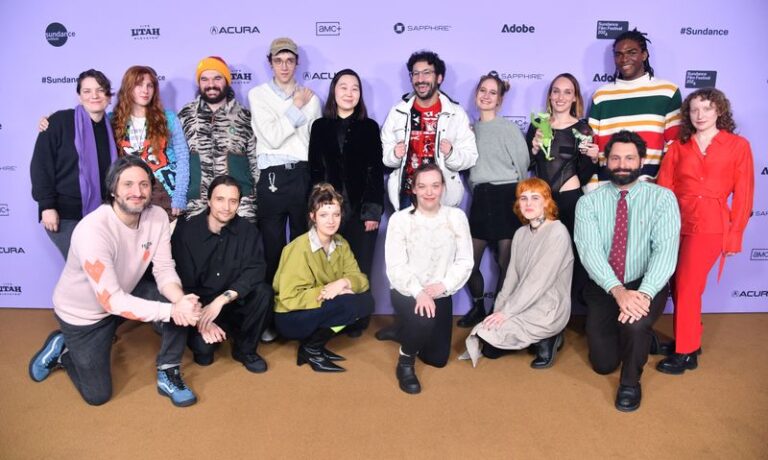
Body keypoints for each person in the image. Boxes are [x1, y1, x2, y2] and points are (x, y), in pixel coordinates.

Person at [28, 156, 202, 407]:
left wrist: (180, 301)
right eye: (128, 184)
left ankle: (168, 369)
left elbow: (164, 269)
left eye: (144, 185)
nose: (137, 192)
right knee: (97, 395)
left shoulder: (158, 217)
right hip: (84, 315)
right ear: (113, 190)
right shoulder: (93, 231)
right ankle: (64, 348)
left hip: (125, 293)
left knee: (176, 300)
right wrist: (171, 310)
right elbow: (111, 301)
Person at [575, 130, 680, 412]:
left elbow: (665, 253)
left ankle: (631, 382)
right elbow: (590, 252)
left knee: (634, 324)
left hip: (645, 281)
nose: (622, 164)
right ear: (606, 161)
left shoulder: (663, 199)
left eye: (630, 158)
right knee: (602, 364)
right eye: (616, 158)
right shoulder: (588, 203)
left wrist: (643, 293)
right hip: (604, 284)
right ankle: (645, 337)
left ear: (642, 160)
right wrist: (618, 291)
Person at [655, 88, 754, 374]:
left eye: (707, 109)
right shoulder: (679, 146)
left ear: (719, 111)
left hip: (711, 225)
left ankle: (685, 353)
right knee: (678, 284)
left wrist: (735, 236)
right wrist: (661, 225)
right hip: (677, 221)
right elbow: (665, 187)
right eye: (695, 110)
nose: (700, 115)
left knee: (687, 285)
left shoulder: (738, 146)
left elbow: (745, 194)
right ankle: (691, 339)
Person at [464, 178, 573, 368]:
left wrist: (507, 313)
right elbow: (511, 278)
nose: (528, 204)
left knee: (502, 328)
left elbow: (537, 282)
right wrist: (499, 310)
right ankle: (531, 337)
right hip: (520, 303)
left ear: (547, 202)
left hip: (547, 304)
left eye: (535, 198)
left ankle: (550, 336)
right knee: (488, 345)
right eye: (523, 198)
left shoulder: (558, 231)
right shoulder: (520, 233)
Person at [385, 164, 473, 394]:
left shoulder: (456, 217)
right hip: (408, 291)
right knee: (423, 320)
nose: (429, 192)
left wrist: (443, 285)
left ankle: (405, 330)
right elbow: (395, 266)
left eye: (435, 185)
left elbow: (465, 260)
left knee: (437, 359)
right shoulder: (400, 220)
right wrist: (419, 292)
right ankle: (405, 361)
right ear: (413, 189)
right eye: (422, 186)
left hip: (439, 292)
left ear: (443, 187)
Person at [308, 69, 384, 336]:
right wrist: (318, 210)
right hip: (329, 213)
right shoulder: (319, 126)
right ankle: (333, 314)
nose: (349, 93)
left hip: (361, 211)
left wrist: (372, 211)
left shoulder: (370, 127)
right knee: (330, 265)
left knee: (360, 265)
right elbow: (315, 171)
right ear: (334, 92)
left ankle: (358, 318)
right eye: (343, 87)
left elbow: (375, 171)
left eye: (355, 88)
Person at [171, 175, 273, 373]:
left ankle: (245, 350)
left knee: (263, 292)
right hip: (200, 306)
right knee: (204, 353)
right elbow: (183, 285)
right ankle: (211, 335)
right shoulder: (187, 233)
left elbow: (255, 270)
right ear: (208, 201)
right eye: (220, 199)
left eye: (233, 201)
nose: (226, 207)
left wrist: (221, 301)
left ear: (239, 204)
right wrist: (201, 318)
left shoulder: (248, 231)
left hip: (232, 301)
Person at [272, 183, 374, 373]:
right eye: (324, 215)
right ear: (313, 216)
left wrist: (343, 283)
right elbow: (290, 297)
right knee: (349, 304)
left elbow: (361, 279)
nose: (331, 221)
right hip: (290, 315)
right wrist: (330, 292)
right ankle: (311, 348)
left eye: (336, 214)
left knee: (366, 302)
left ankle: (313, 345)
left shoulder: (341, 243)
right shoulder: (298, 248)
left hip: (317, 307)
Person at [248, 37, 322, 284]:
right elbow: (273, 137)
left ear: (297, 63)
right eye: (278, 60)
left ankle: (300, 301)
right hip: (271, 175)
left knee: (304, 243)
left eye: (289, 60)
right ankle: (271, 310)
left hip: (301, 173)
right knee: (272, 246)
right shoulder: (257, 95)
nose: (284, 66)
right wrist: (296, 106)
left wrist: (296, 109)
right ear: (270, 63)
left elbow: (313, 143)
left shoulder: (312, 99)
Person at [458, 73, 529, 328]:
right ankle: (478, 305)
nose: (486, 96)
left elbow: (523, 165)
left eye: (492, 92)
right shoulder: (468, 130)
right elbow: (464, 166)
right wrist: (476, 186)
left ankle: (497, 313)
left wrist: (518, 198)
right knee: (468, 263)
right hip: (481, 197)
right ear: (476, 94)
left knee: (505, 262)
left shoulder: (508, 128)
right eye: (483, 90)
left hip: (506, 195)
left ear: (500, 99)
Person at [526, 73, 598, 312]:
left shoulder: (583, 128)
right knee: (542, 257)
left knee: (572, 257)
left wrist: (593, 158)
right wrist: (534, 149)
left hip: (570, 200)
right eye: (556, 91)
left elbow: (586, 173)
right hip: (542, 202)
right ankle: (543, 311)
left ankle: (568, 312)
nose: (561, 97)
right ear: (550, 95)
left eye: (567, 92)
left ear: (575, 97)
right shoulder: (538, 125)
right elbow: (527, 164)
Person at [30, 69, 117, 259]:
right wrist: (47, 206)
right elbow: (41, 165)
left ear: (109, 97)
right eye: (87, 91)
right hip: (65, 215)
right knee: (85, 270)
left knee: (97, 275)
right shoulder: (59, 122)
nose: (94, 96)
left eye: (100, 90)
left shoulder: (113, 128)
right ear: (79, 97)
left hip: (103, 215)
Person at [381, 50, 477, 210]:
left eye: (427, 73)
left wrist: (451, 153)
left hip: (442, 196)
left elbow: (470, 157)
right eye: (416, 74)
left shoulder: (456, 113)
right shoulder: (398, 111)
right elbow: (385, 156)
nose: (420, 79)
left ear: (439, 78)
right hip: (407, 194)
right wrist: (395, 155)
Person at [587, 29, 682, 191]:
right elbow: (591, 147)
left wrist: (662, 183)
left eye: (631, 52)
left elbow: (674, 146)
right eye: (618, 54)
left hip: (650, 187)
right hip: (607, 188)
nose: (624, 59)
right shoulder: (601, 96)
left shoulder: (668, 92)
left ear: (644, 55)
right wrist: (593, 187)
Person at [179, 56, 259, 223]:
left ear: (227, 81)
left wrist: (255, 197)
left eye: (217, 78)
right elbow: (178, 160)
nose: (211, 84)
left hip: (240, 206)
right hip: (197, 206)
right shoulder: (185, 115)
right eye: (205, 79)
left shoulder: (245, 116)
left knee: (241, 249)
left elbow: (255, 163)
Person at [110, 65, 190, 220]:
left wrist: (179, 196)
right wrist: (49, 120)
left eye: (149, 85)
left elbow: (182, 158)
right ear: (128, 88)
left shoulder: (168, 118)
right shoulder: (112, 120)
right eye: (138, 85)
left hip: (163, 190)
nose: (145, 90)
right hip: (128, 193)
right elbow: (85, 123)